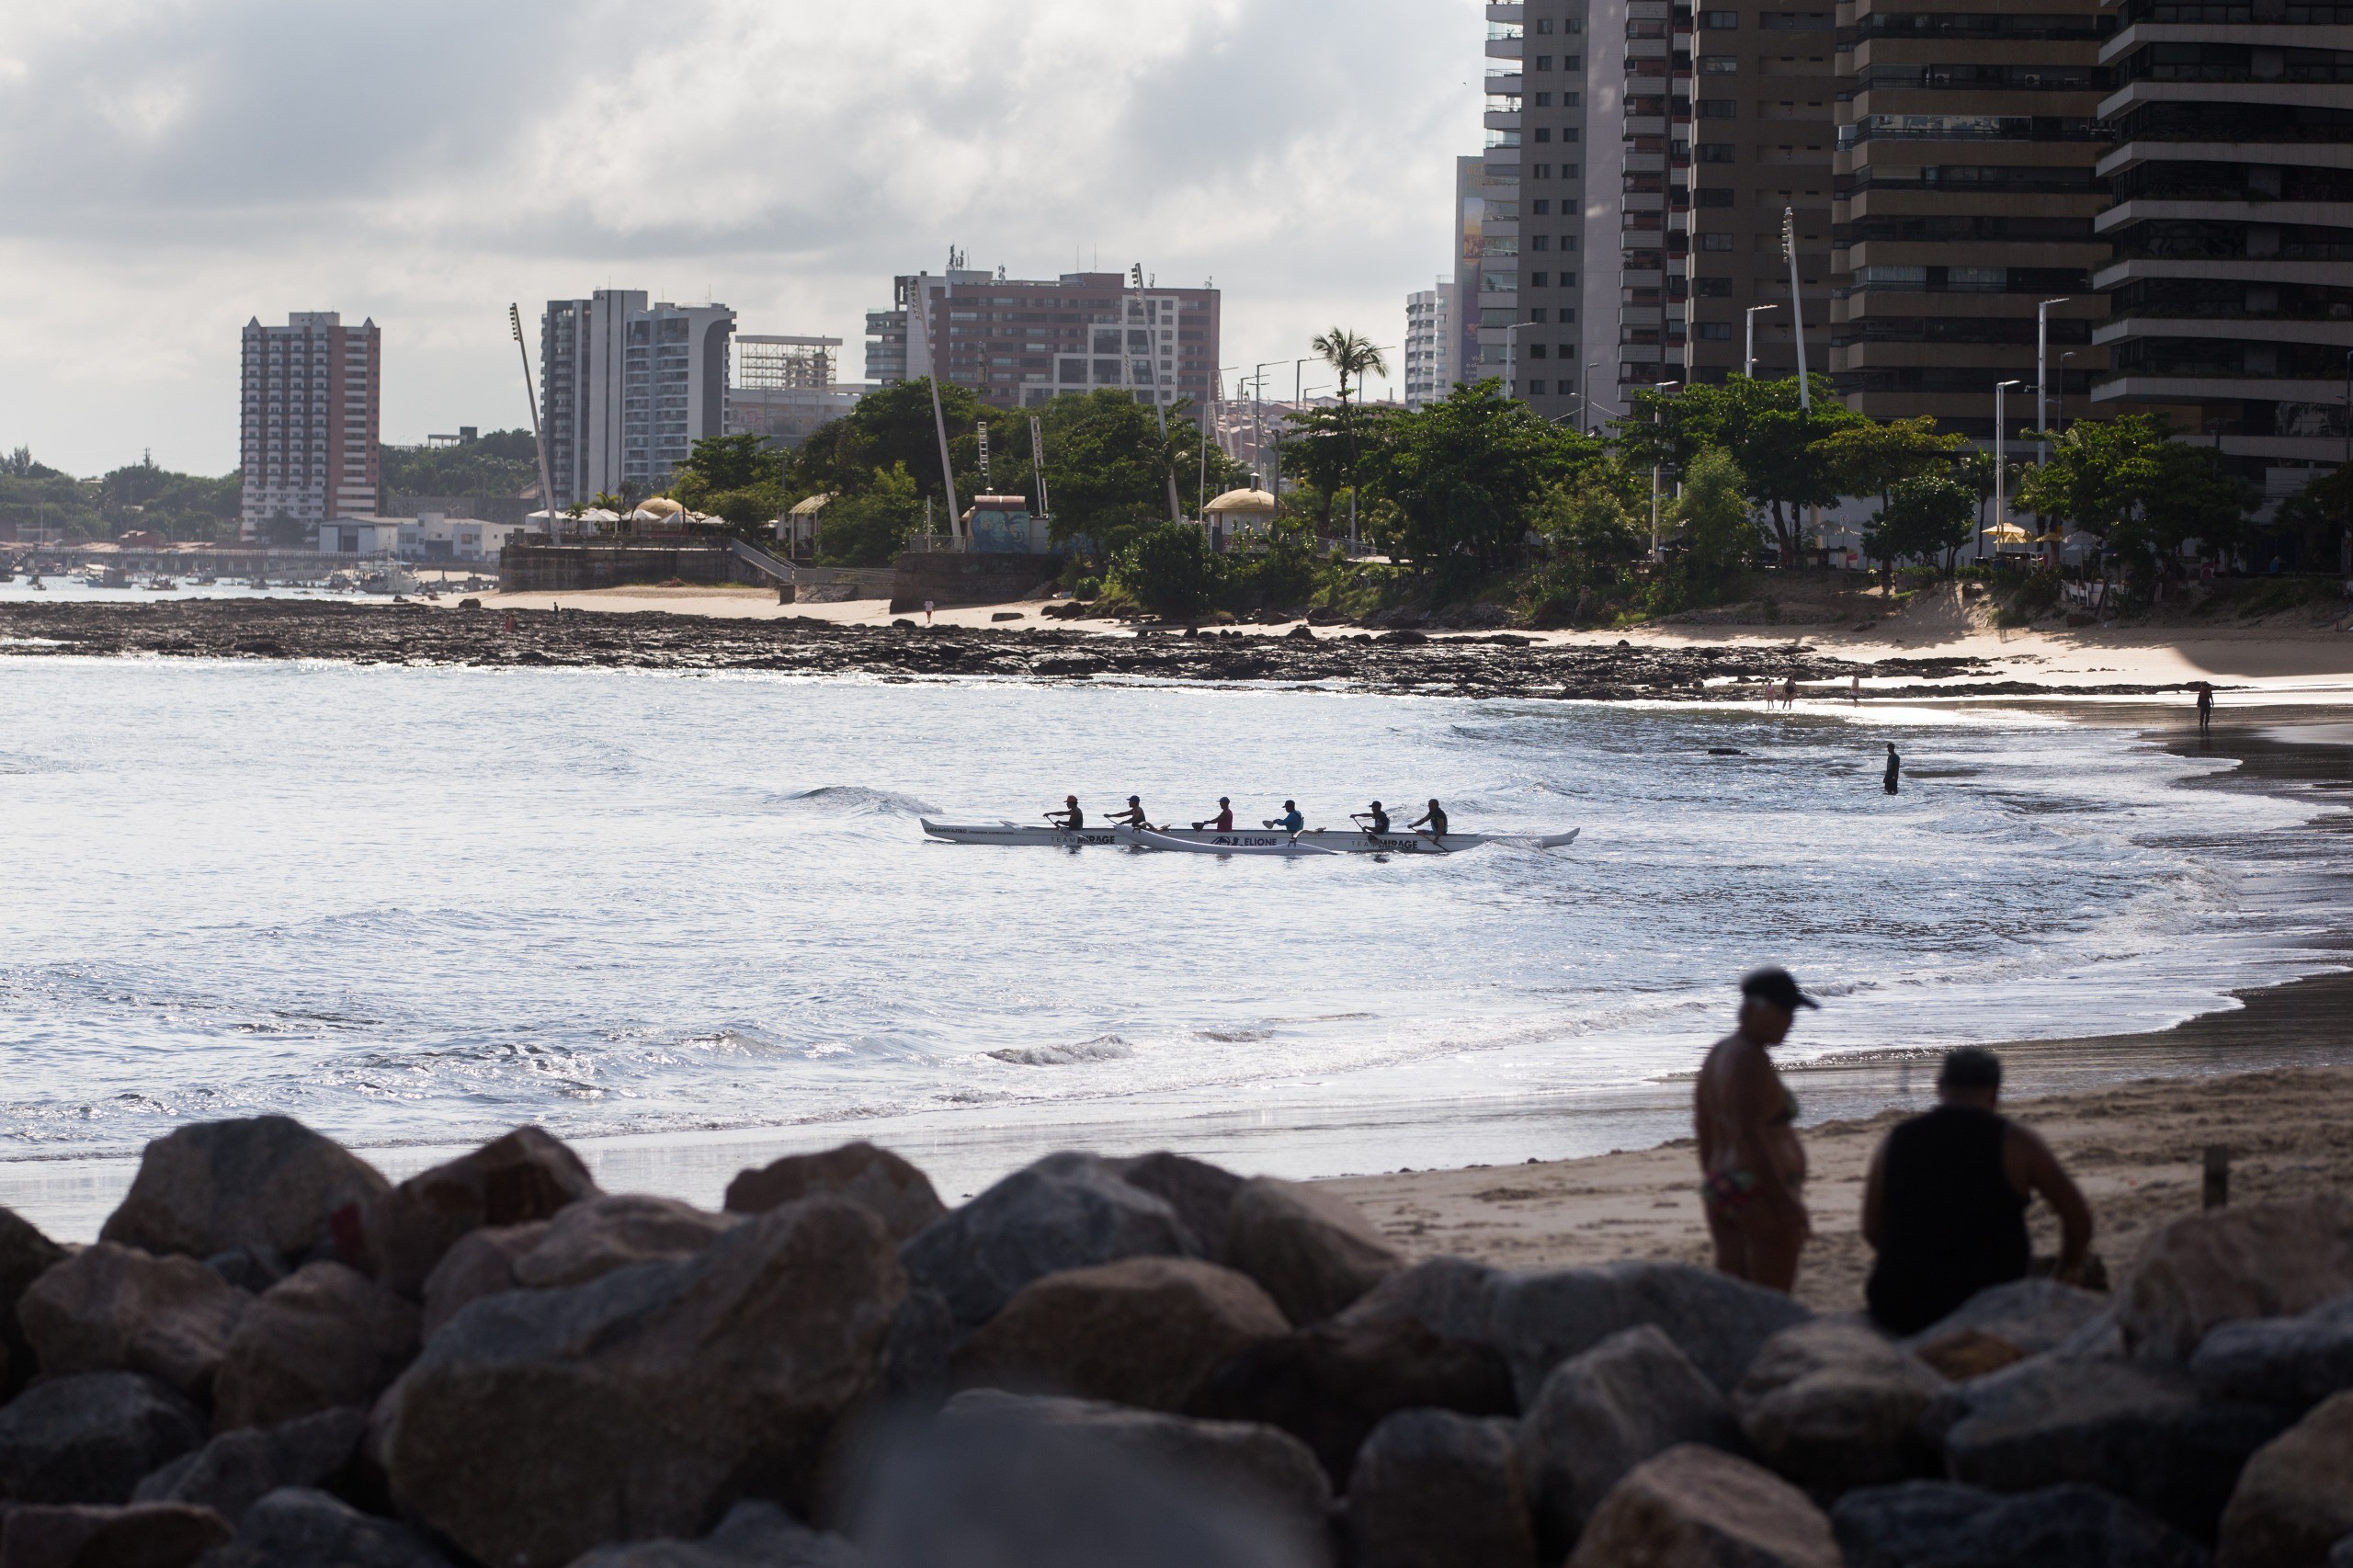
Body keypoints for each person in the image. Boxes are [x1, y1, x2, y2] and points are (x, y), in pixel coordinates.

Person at [1861, 1047, 2093, 1335]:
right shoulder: (2015, 1141)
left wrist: (1921, 1259)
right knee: (2090, 1273)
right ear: (1995, 1092)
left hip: (1900, 1304)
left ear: (1940, 1087)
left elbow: (1871, 1229)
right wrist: (2069, 1268)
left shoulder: (1897, 1139)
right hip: (1990, 1302)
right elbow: (2078, 1218)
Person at [1694, 967, 1815, 1292]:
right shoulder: (1750, 1060)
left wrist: (1714, 1179)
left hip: (1724, 1185)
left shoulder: (1719, 1053)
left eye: (1792, 1012)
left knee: (1734, 1294)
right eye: (1783, 1012)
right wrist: (1785, 1201)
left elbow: (1705, 1127)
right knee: (1772, 1295)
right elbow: (1750, 1135)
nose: (1789, 1021)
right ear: (1751, 1009)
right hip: (1758, 1187)